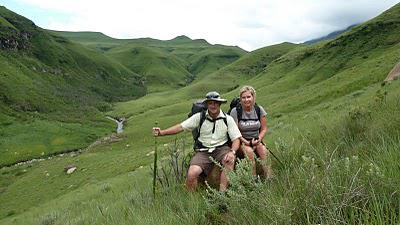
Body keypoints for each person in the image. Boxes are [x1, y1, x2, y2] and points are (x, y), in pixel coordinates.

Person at [152, 91, 241, 192]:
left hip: (221, 149)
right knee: (192, 173)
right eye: (210, 103)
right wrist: (162, 133)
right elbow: (181, 127)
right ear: (207, 104)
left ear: (220, 104)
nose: (213, 105)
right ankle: (191, 200)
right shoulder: (199, 117)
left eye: (215, 103)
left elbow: (236, 139)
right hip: (203, 151)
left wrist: (232, 152)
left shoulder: (227, 119)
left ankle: (222, 194)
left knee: (229, 161)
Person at [229, 86, 272, 178]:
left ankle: (269, 176)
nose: (246, 100)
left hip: (256, 140)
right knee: (249, 152)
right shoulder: (235, 111)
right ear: (240, 99)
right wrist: (247, 142)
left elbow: (264, 128)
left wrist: (258, 139)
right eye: (243, 97)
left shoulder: (259, 109)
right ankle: (253, 179)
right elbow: (235, 132)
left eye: (248, 97)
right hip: (241, 142)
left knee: (263, 150)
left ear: (253, 97)